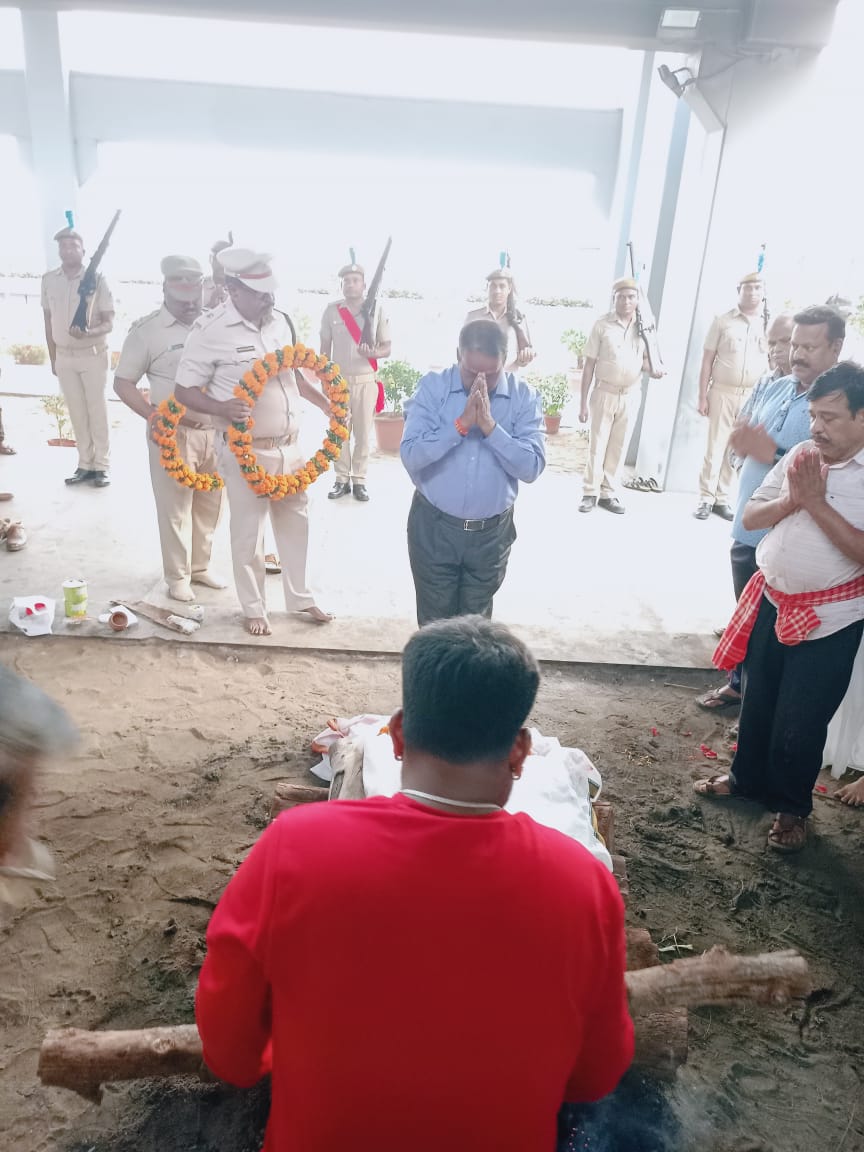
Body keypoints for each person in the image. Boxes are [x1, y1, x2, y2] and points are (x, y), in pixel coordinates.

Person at [196, 615, 633, 1151]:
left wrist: (280, 1058)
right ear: (520, 751)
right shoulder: (582, 882)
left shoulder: (296, 846)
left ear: (398, 735)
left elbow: (230, 1047)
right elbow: (595, 1075)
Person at [695, 362, 864, 852]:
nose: (816, 428)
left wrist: (815, 503)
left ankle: (792, 809)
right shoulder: (804, 455)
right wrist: (793, 500)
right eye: (813, 415)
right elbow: (751, 515)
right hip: (771, 599)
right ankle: (744, 780)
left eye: (829, 417)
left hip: (831, 620)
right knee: (758, 701)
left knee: (800, 721)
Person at [174, 247, 333, 636]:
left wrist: (326, 403)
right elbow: (183, 391)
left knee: (297, 521)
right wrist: (220, 408)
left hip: (289, 446)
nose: (268, 299)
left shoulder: (280, 322)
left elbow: (293, 374)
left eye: (270, 291)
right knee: (249, 531)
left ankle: (300, 597)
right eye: (259, 293)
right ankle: (254, 607)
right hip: (245, 449)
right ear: (233, 289)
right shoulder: (209, 330)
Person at [695, 308, 842, 711]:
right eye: (794, 345)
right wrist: (743, 449)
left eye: (809, 346)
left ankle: (757, 699)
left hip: (789, 539)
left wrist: (770, 451)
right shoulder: (778, 387)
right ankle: (741, 684)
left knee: (772, 630)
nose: (796, 354)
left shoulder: (840, 404)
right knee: (748, 617)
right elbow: (748, 439)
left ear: (836, 348)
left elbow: (830, 466)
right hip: (750, 527)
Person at [401, 319, 545, 625]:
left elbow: (532, 467)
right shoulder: (433, 388)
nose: (480, 382)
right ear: (458, 355)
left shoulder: (523, 397)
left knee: (475, 629)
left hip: (490, 537)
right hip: (435, 529)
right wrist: (460, 425)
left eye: (491, 374)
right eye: (470, 371)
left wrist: (491, 428)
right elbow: (411, 455)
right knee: (435, 627)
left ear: (505, 361)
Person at [114, 255, 226, 602]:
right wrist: (151, 415)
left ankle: (200, 567)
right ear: (165, 289)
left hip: (215, 431)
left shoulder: (215, 324)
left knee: (210, 503)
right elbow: (123, 382)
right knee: (175, 507)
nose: (190, 305)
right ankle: (178, 576)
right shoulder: (147, 332)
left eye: (195, 296)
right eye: (182, 299)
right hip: (172, 434)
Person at [578, 276, 663, 515]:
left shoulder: (644, 327)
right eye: (621, 297)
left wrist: (655, 368)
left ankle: (608, 493)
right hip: (604, 392)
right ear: (614, 298)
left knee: (619, 445)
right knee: (597, 445)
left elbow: (647, 361)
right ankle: (590, 492)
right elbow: (589, 365)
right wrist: (582, 403)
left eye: (631, 297)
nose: (626, 301)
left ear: (637, 300)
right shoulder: (602, 325)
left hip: (630, 395)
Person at [41, 224, 114, 488]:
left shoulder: (97, 279)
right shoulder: (49, 280)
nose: (68, 249)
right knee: (76, 412)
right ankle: (84, 464)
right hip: (64, 356)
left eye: (73, 245)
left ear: (83, 250)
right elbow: (48, 321)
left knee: (96, 411)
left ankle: (101, 466)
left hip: (92, 354)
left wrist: (89, 332)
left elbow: (109, 322)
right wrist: (53, 358)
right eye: (63, 245)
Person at [694, 272, 768, 520]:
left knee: (736, 446)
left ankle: (721, 498)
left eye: (757, 288)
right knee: (715, 445)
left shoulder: (767, 323)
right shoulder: (722, 321)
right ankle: (706, 497)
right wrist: (702, 396)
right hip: (722, 392)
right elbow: (707, 360)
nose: (752, 292)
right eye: (748, 288)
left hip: (751, 396)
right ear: (739, 291)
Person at [319, 254, 391, 502]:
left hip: (365, 381)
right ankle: (341, 478)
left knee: (362, 434)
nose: (350, 284)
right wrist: (324, 380)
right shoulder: (332, 311)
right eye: (346, 281)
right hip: (338, 382)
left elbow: (387, 347)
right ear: (341, 285)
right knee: (339, 432)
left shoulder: (376, 310)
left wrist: (374, 353)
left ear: (364, 284)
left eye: (355, 280)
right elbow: (324, 350)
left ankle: (359, 479)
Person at [465, 255, 535, 372]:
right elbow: (463, 355)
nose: (497, 291)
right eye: (493, 286)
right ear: (487, 288)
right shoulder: (472, 317)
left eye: (502, 286)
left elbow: (524, 358)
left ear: (509, 289)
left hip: (508, 381)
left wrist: (524, 358)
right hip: (479, 380)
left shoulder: (519, 319)